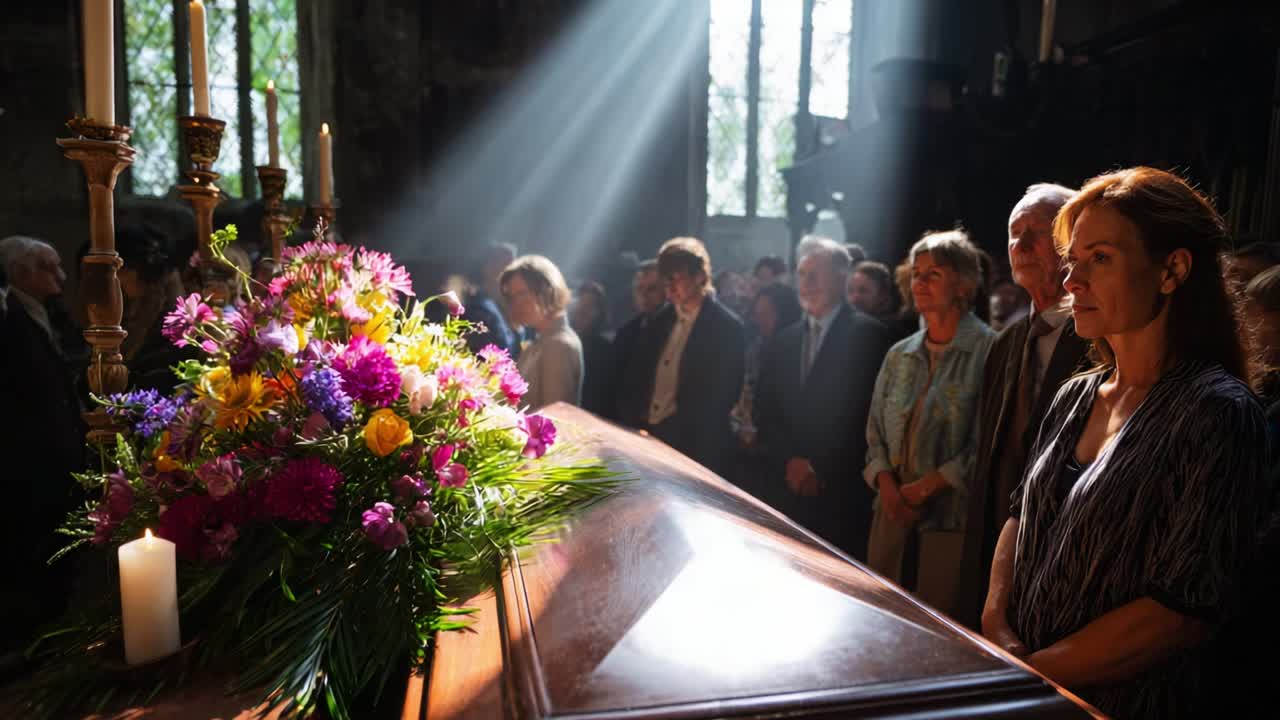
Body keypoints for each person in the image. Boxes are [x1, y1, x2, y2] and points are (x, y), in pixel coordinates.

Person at [982, 167, 1268, 719]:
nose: (1071, 281)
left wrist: (1035, 673)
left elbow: (1180, 611)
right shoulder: (1075, 394)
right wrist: (997, 631)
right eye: (1072, 260)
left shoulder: (1217, 410)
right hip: (1028, 693)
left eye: (1100, 259)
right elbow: (1021, 516)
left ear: (1172, 270)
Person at [955, 184, 1091, 629]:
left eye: (1039, 232)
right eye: (1015, 233)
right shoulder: (1006, 343)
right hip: (996, 538)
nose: (1022, 244)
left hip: (1061, 548)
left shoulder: (1101, 341)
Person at [864, 230, 994, 613]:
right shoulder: (899, 354)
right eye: (916, 273)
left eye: (933, 274)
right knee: (881, 617)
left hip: (951, 521)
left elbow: (987, 441)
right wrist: (888, 487)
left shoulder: (991, 350)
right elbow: (874, 432)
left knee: (940, 624)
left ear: (964, 284)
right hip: (890, 514)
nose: (919, 282)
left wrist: (924, 489)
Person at [755, 237, 890, 559]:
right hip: (784, 489)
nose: (807, 283)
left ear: (842, 278)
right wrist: (789, 460)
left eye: (817, 274)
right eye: (802, 274)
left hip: (840, 495)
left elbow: (866, 417)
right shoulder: (783, 340)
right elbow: (765, 409)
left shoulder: (870, 335)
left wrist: (818, 467)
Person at [0, 235, 87, 656]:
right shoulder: (9, 317)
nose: (62, 277)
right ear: (20, 273)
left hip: (54, 454)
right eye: (49, 268)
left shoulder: (46, 312)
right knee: (33, 559)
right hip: (30, 462)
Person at [616, 237, 745, 475]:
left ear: (700, 276)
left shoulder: (727, 328)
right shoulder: (659, 321)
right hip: (648, 441)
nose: (670, 286)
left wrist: (673, 431)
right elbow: (636, 379)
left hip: (694, 448)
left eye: (676, 277)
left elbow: (722, 397)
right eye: (666, 279)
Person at [500, 255, 582, 410]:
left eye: (522, 294)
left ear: (548, 290)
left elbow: (555, 417)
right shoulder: (543, 340)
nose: (516, 303)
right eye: (511, 297)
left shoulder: (558, 345)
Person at [731, 281, 801, 451]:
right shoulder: (756, 347)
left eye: (767, 314)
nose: (759, 320)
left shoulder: (798, 352)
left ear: (785, 313)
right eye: (757, 314)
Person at [570, 281, 615, 417]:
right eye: (580, 304)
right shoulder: (563, 341)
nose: (582, 311)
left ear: (600, 313)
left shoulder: (606, 350)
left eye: (589, 306)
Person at [846, 260, 900, 329]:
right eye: (850, 291)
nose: (854, 298)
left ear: (882, 294)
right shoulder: (846, 324)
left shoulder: (891, 328)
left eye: (863, 291)